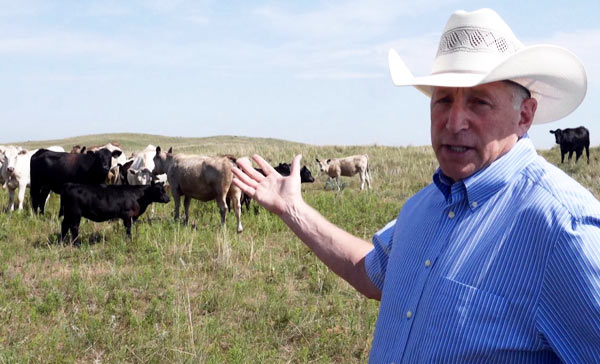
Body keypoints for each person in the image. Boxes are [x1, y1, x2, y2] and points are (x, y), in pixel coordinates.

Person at [232, 8, 600, 363]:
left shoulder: (564, 230)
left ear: (524, 115)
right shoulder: (423, 207)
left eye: (479, 102)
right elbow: (372, 274)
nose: (454, 122)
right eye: (443, 100)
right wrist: (293, 208)